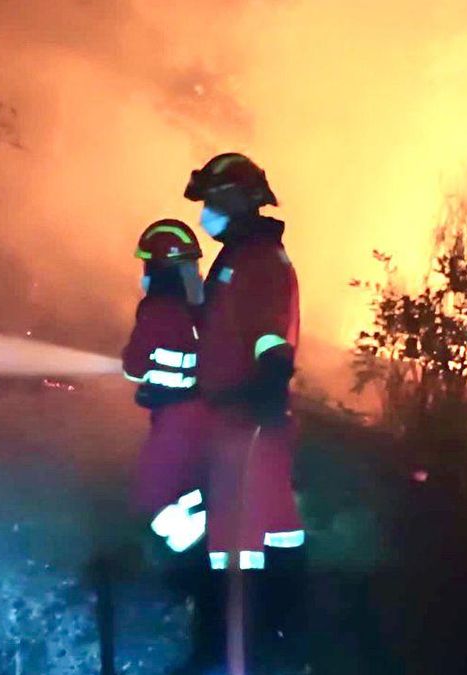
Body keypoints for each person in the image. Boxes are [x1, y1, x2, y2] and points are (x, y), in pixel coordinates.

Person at [178, 152, 307, 673]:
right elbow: (222, 327)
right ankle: (258, 643)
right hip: (234, 417)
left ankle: (231, 651)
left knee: (238, 542)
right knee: (244, 537)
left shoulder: (259, 262)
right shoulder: (238, 257)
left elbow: (270, 334)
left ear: (235, 200)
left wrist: (266, 389)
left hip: (249, 418)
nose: (205, 213)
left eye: (212, 200)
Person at [121, 219, 211, 555]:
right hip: (200, 412)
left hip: (173, 416)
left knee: (152, 494)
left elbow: (134, 367)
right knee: (184, 481)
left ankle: (178, 556)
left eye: (147, 266)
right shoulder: (201, 310)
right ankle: (192, 539)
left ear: (159, 270)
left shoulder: (156, 310)